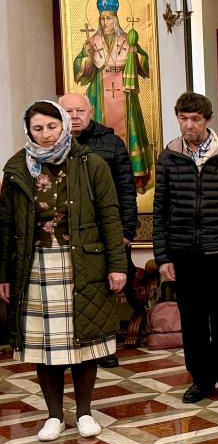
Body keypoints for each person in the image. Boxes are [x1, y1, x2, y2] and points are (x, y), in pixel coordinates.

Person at [0, 101, 126, 441]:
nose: (46, 134)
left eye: (52, 126)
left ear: (64, 126)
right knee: (46, 346)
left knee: (83, 341)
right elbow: (6, 225)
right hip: (35, 264)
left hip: (83, 262)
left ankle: (84, 412)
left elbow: (110, 216)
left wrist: (117, 265)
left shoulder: (91, 163)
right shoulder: (17, 167)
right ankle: (54, 416)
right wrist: (4, 275)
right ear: (29, 131)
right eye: (38, 128)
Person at [152, 92, 218, 404]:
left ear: (207, 120)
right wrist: (163, 257)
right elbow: (160, 209)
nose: (189, 125)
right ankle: (200, 380)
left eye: (195, 119)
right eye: (183, 118)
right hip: (184, 251)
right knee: (193, 321)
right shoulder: (169, 157)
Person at [61, 91, 137, 369]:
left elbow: (126, 190)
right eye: (68, 112)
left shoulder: (111, 143)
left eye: (80, 111)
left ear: (91, 112)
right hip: (69, 233)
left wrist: (126, 232)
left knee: (103, 290)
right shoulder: (53, 144)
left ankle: (103, 346)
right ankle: (70, 346)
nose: (75, 117)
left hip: (105, 230)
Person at [71, 0, 153, 190]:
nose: (105, 22)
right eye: (102, 18)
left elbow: (144, 63)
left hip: (124, 91)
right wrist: (87, 57)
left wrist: (135, 54)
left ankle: (135, 178)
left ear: (115, 19)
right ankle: (99, 177)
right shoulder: (92, 41)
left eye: (109, 18)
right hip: (99, 93)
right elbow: (79, 68)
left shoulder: (127, 39)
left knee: (129, 129)